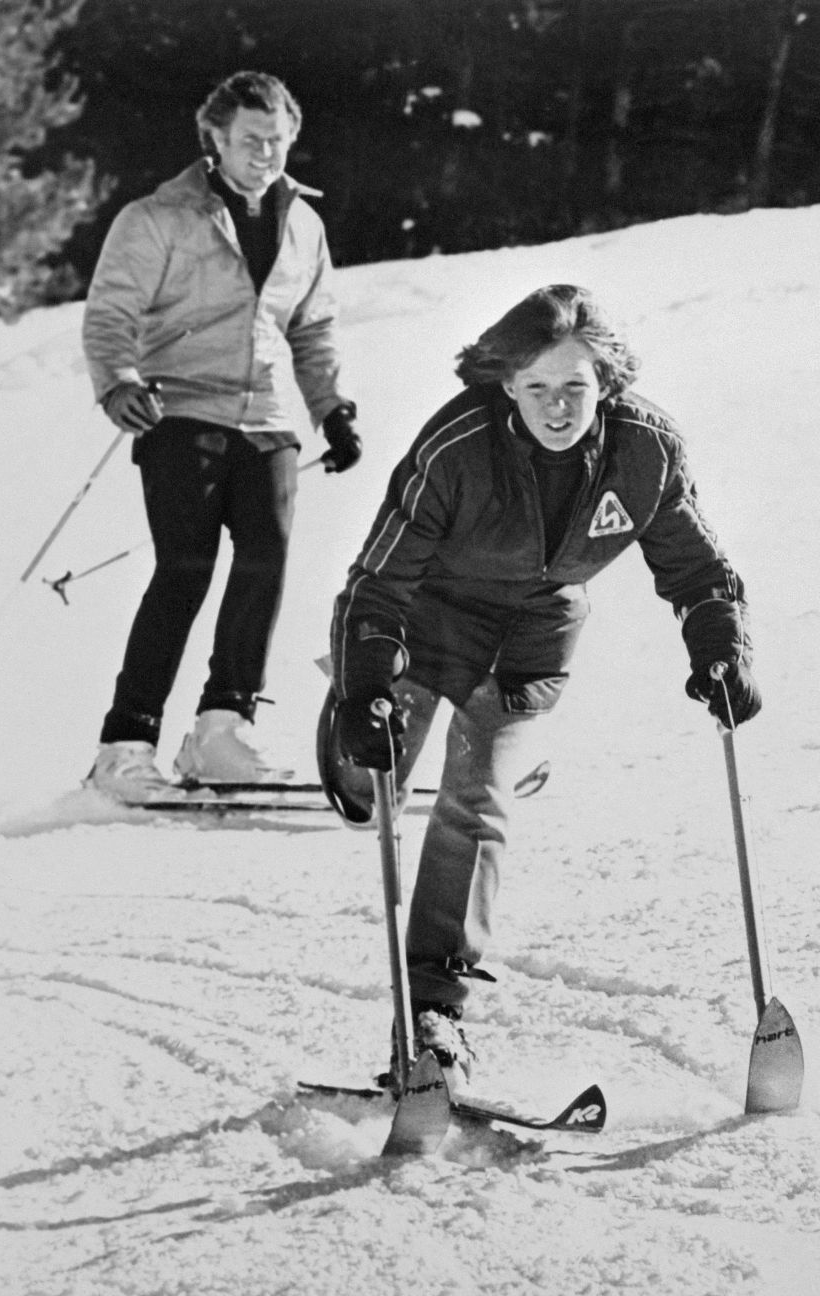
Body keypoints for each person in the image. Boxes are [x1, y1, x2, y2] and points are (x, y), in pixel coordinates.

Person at [319, 283, 761, 1092]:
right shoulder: (455, 448)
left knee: (478, 798)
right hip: (426, 619)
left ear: (607, 383)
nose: (559, 408)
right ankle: (361, 722)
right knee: (366, 782)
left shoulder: (646, 451)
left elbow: (698, 570)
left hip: (535, 635)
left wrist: (721, 644)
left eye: (576, 388)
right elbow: (376, 585)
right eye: (538, 389)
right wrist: (362, 691)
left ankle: (431, 1014)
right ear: (505, 384)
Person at [82, 71, 359, 801]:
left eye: (276, 140)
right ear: (215, 138)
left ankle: (221, 730)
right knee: (185, 568)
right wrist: (119, 381)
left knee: (264, 561)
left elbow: (313, 326)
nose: (264, 154)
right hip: (181, 409)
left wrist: (332, 410)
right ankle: (125, 743)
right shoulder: (160, 217)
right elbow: (112, 310)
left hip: (266, 417)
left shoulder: (305, 224)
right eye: (249, 140)